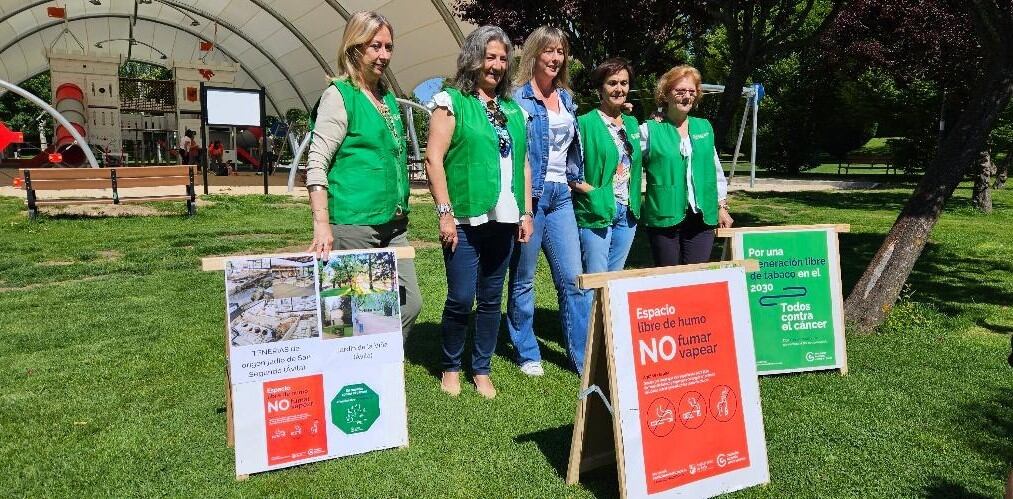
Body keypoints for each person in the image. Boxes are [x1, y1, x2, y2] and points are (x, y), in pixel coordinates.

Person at [425, 25, 533, 399]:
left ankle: (481, 367)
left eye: (503, 58)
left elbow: (523, 166)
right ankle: (451, 365)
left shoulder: (513, 111)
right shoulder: (450, 102)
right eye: (490, 57)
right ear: (473, 59)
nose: (498, 65)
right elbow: (433, 159)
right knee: (460, 297)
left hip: (505, 217)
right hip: (465, 218)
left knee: (491, 297)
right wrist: (444, 212)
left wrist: (526, 212)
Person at [304, 10, 422, 341]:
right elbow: (317, 163)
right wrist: (322, 224)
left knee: (409, 303)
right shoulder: (339, 95)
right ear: (355, 47)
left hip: (393, 223)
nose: (384, 55)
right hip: (354, 222)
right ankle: (350, 375)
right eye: (375, 46)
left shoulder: (386, 98)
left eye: (389, 47)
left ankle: (376, 364)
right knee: (348, 315)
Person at [508, 26, 588, 377]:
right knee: (524, 277)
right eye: (549, 51)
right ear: (534, 54)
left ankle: (583, 357)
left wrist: (575, 180)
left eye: (561, 52)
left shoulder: (567, 98)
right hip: (532, 196)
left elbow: (570, 149)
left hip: (561, 197)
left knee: (572, 278)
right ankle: (527, 350)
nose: (556, 58)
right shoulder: (516, 98)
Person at [640, 65, 733, 267]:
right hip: (664, 216)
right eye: (680, 91)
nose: (686, 96)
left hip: (701, 218)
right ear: (666, 94)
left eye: (691, 92)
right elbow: (624, 157)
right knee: (669, 281)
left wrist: (721, 206)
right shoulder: (649, 130)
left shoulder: (704, 127)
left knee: (696, 279)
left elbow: (715, 170)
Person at [571, 58, 643, 275]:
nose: (619, 89)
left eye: (624, 83)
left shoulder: (632, 123)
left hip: (627, 213)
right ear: (600, 89)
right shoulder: (583, 123)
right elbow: (569, 171)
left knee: (615, 279)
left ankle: (608, 312)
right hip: (597, 208)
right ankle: (590, 311)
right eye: (612, 83)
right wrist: (594, 193)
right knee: (596, 278)